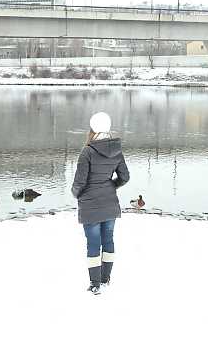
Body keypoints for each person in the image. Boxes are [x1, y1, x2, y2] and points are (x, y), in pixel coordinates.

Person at [71, 112, 129, 294]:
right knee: (108, 240)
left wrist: (75, 194)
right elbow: (125, 177)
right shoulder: (117, 150)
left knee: (94, 243)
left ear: (93, 128)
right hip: (109, 202)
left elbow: (79, 183)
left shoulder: (87, 151)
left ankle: (95, 283)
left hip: (90, 205)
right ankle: (105, 278)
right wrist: (110, 186)